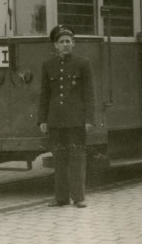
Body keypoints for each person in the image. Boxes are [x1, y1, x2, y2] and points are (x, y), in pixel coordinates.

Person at [38, 25, 95, 208]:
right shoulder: (48, 65)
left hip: (76, 120)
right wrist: (42, 119)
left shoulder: (83, 63)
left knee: (76, 158)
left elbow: (89, 93)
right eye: (61, 42)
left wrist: (89, 119)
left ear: (74, 43)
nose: (65, 45)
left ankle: (78, 198)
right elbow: (44, 95)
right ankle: (61, 198)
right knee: (59, 159)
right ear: (55, 45)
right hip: (55, 120)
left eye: (68, 41)